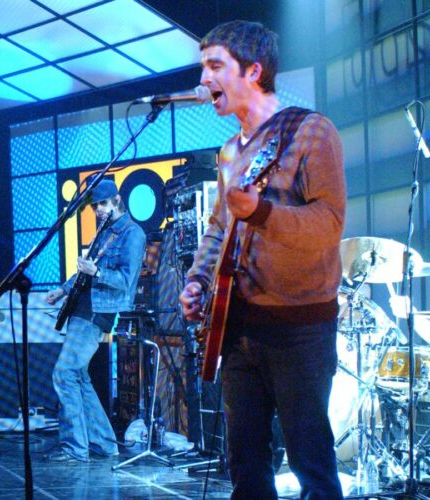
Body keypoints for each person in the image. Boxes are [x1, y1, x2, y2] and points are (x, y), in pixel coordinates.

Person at [178, 20, 345, 499]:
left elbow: (329, 224)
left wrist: (263, 212)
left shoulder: (311, 131)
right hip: (236, 326)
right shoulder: (231, 151)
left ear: (253, 71)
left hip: (300, 328)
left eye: (215, 66)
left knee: (310, 462)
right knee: (245, 466)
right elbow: (218, 229)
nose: (204, 78)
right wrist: (197, 280)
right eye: (202, 67)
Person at [44, 179, 146, 462]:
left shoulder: (132, 234)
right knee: (78, 375)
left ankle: (74, 448)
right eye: (94, 206)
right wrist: (63, 289)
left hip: (99, 312)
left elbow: (126, 282)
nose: (97, 210)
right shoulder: (103, 232)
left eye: (102, 204)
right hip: (81, 307)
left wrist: (97, 272)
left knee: (64, 372)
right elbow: (85, 271)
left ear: (115, 200)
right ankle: (104, 442)